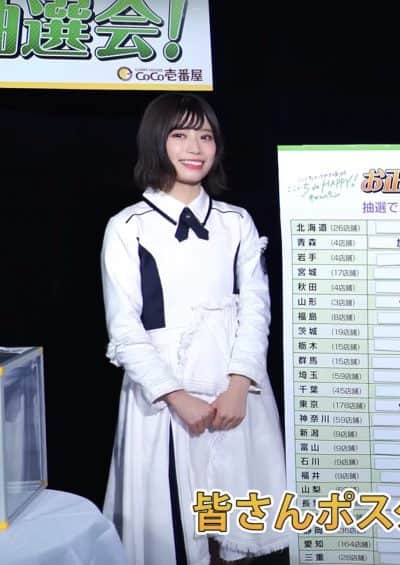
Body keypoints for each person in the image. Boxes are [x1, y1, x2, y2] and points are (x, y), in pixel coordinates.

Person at [100, 93, 288, 564]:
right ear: (156, 141)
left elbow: (257, 309)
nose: (194, 147)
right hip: (163, 397)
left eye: (205, 136)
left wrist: (240, 385)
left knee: (237, 522)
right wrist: (175, 396)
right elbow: (124, 327)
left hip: (235, 389)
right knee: (172, 529)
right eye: (180, 134)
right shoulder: (128, 226)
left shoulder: (236, 222)